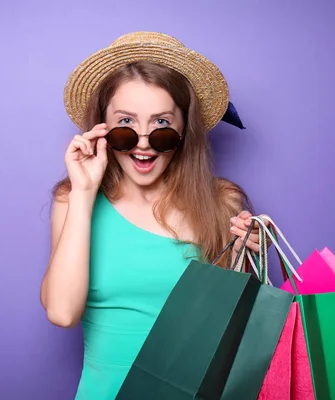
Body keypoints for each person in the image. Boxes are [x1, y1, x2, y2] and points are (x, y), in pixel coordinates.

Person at [40, 31, 264, 399]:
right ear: (103, 128)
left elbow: (231, 333)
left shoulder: (221, 202)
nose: (143, 142)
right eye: (126, 123)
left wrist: (248, 259)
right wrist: (83, 192)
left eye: (161, 124)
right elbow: (62, 312)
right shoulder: (74, 200)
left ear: (182, 131)